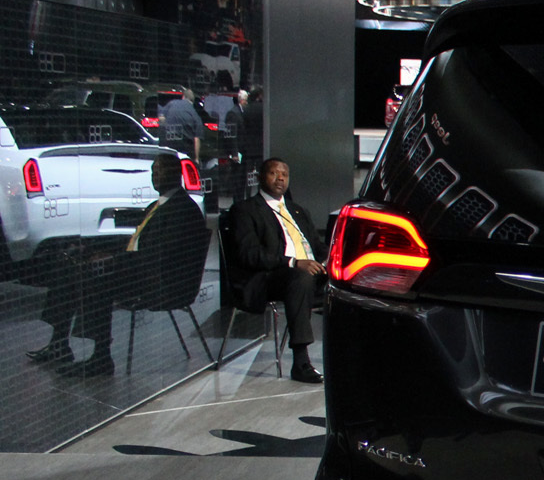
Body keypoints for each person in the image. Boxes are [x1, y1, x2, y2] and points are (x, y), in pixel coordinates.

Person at [27, 155, 207, 377]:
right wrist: (96, 249)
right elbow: (136, 243)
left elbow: (163, 255)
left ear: (176, 174)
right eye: (153, 172)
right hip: (143, 271)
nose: (155, 176)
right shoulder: (158, 205)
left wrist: (114, 260)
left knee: (96, 276)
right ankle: (59, 343)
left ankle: (101, 356)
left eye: (161, 171)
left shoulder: (183, 209)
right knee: (69, 267)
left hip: (163, 282)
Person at [226, 157, 325, 383]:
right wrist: (292, 262)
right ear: (261, 177)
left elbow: (316, 247)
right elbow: (249, 254)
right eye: (274, 173)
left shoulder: (297, 210)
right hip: (270, 277)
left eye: (284, 175)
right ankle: (301, 362)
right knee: (301, 278)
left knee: (351, 281)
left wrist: (332, 259)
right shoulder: (245, 210)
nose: (280, 178)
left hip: (308, 273)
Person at [158, 90, 202, 161]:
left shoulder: (172, 103)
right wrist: (196, 158)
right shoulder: (195, 115)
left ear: (183, 97)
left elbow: (161, 118)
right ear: (193, 101)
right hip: (184, 148)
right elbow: (197, 139)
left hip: (167, 145)